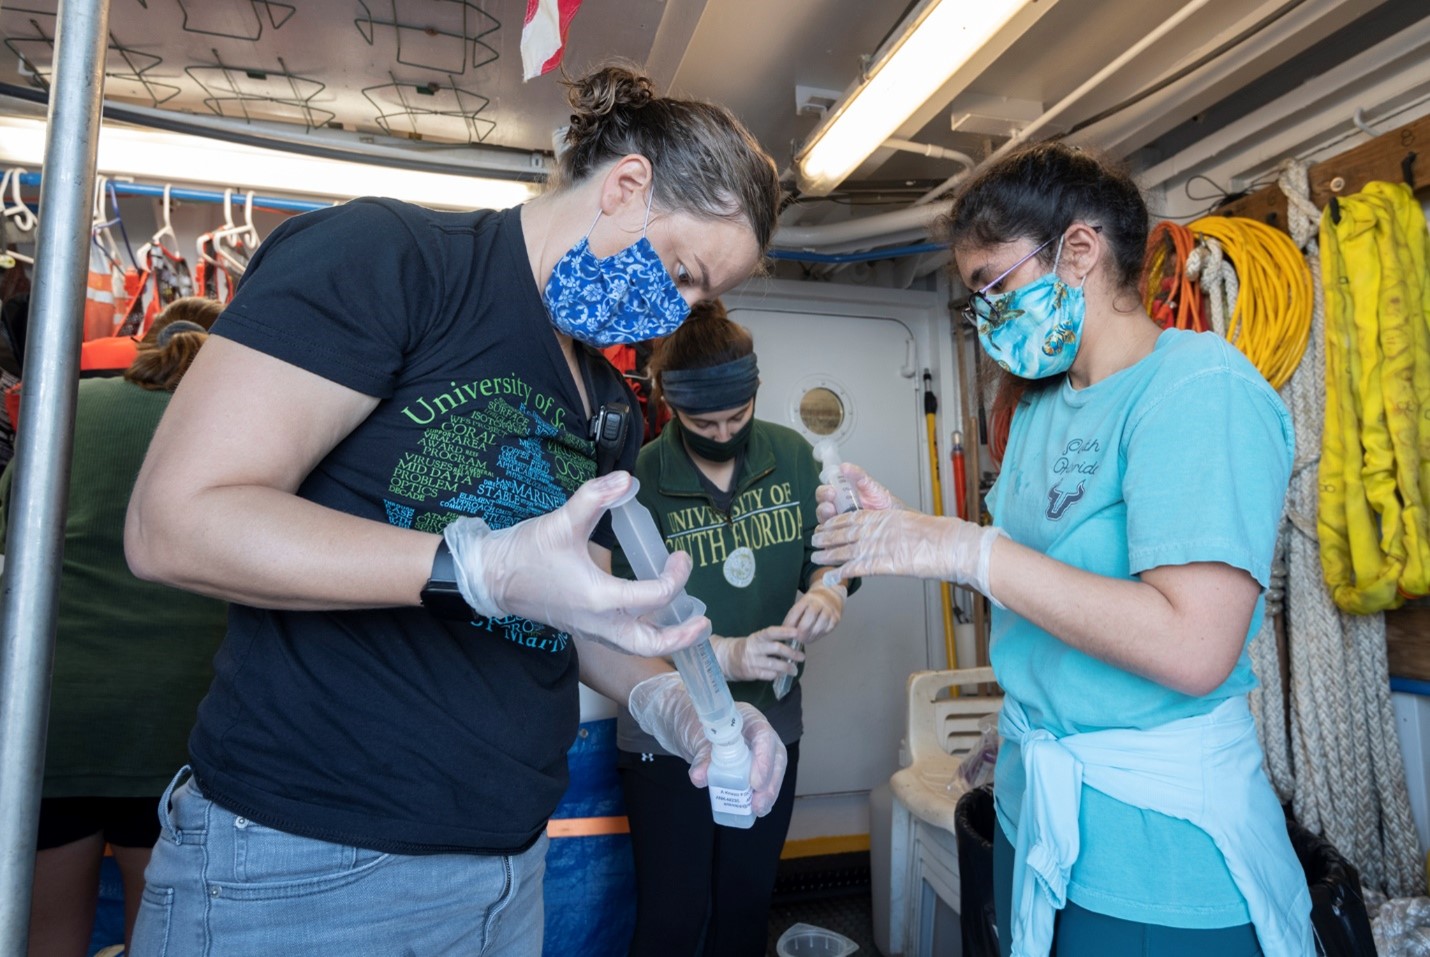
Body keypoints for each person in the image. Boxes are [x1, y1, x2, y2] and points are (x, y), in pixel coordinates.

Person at [121, 65, 787, 957]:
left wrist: (678, 703)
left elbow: (579, 610)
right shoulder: (394, 260)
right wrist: (476, 568)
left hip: (508, 867)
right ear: (626, 186)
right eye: (682, 272)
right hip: (307, 863)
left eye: (701, 298)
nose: (678, 311)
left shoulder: (609, 403)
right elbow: (177, 521)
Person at [810, 142, 1311, 956]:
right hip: (1035, 811)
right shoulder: (1044, 406)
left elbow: (1194, 646)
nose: (987, 319)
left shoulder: (1198, 390)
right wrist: (915, 536)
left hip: (1154, 847)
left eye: (993, 286)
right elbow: (1052, 588)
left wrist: (963, 550)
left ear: (1079, 251)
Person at [611, 301, 854, 956]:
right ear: (667, 403)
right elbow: (614, 617)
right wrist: (725, 653)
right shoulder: (638, 481)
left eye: (736, 417)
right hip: (668, 738)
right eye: (702, 421)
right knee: (674, 913)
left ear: (756, 393)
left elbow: (833, 549)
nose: (722, 433)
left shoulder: (794, 456)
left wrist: (829, 587)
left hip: (772, 724)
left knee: (745, 904)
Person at [0, 312, 224, 957]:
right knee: (159, 939)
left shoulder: (66, 409)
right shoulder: (242, 430)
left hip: (50, 706)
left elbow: (14, 536)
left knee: (40, 937)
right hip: (183, 711)